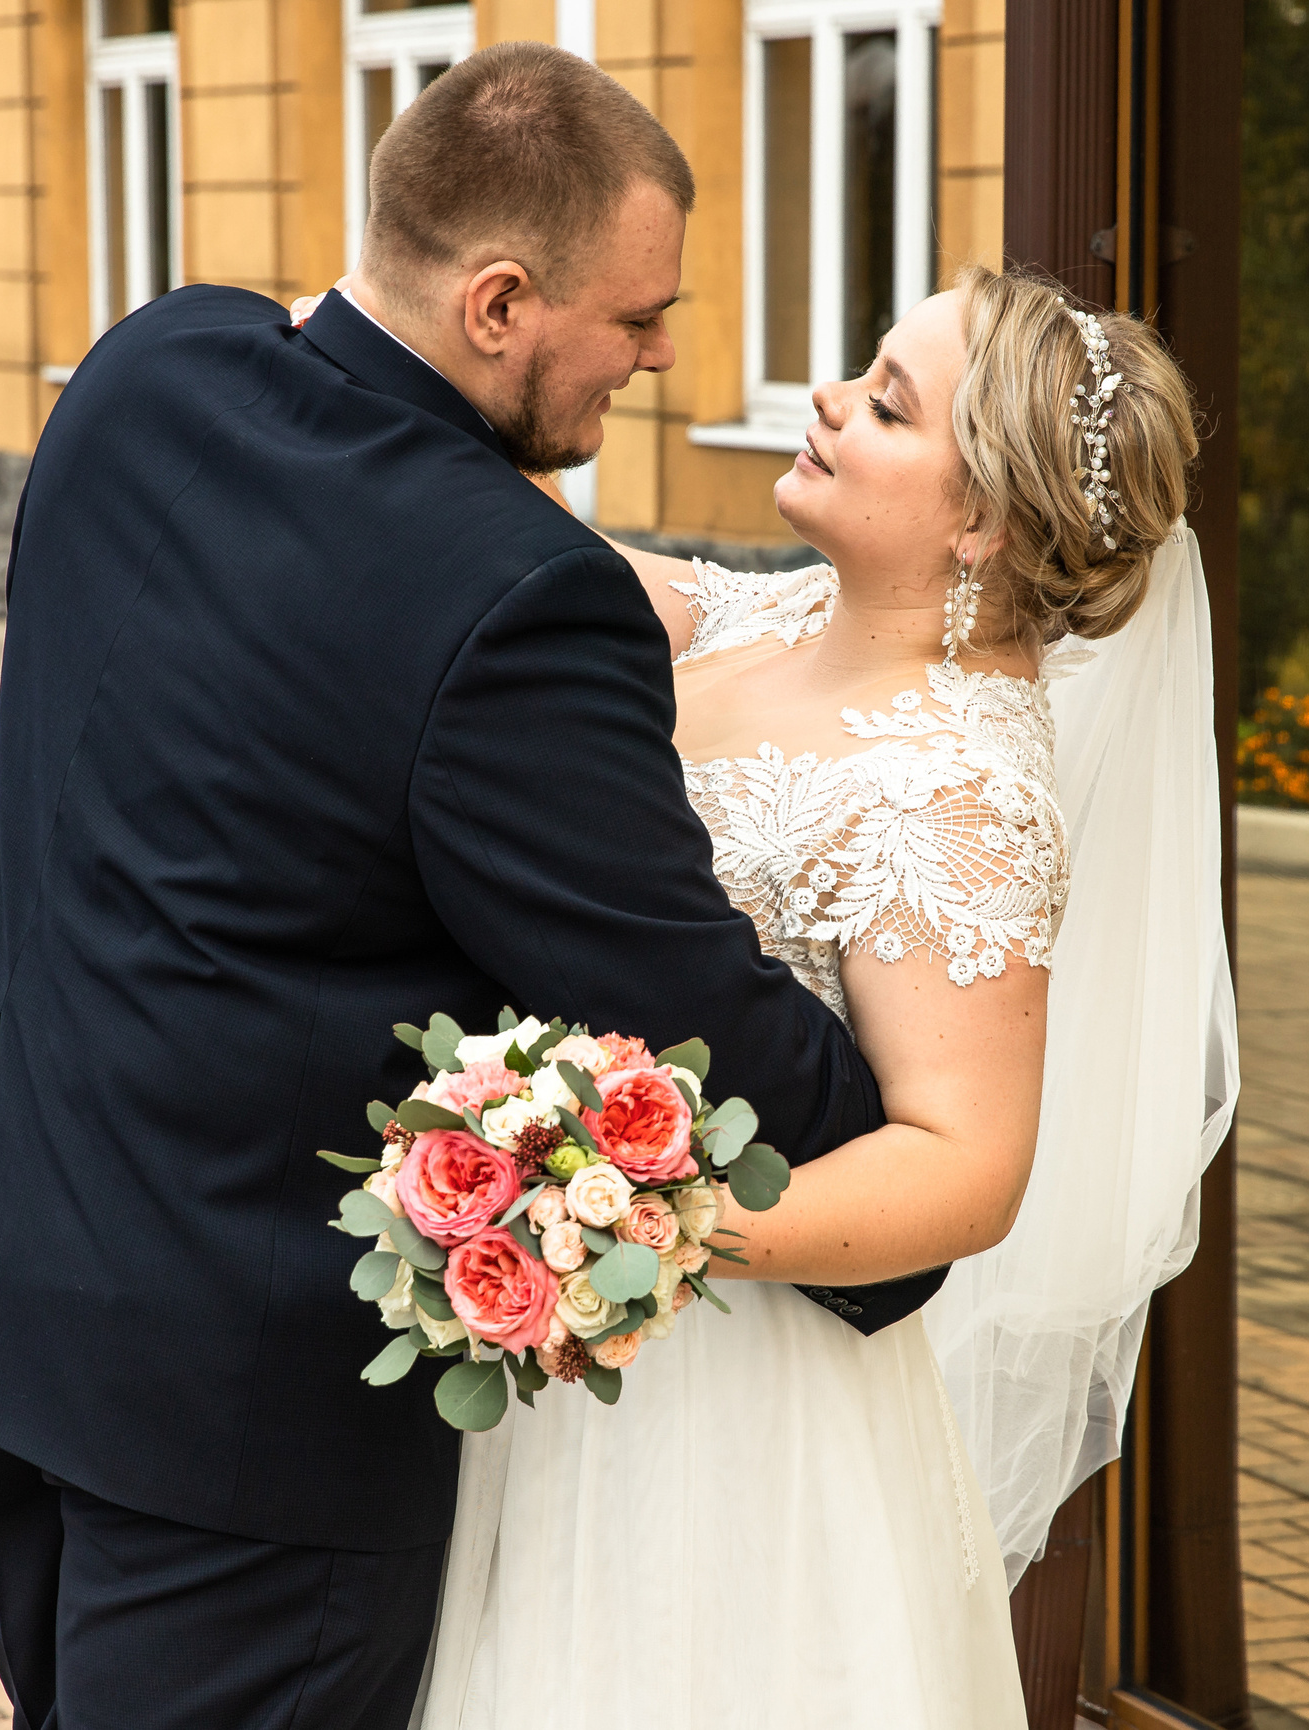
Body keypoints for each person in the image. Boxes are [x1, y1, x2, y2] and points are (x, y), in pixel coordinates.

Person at [0, 43, 940, 1729]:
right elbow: (674, 993)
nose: (660, 353)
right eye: (638, 316)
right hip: (242, 1406)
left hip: (12, 1278)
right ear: (498, 302)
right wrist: (900, 1205)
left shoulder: (149, 363)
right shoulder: (519, 596)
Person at [408, 268, 1236, 1725]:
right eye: (865, 369)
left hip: (738, 1400)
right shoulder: (769, 615)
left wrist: (624, 1228)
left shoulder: (963, 793)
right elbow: (526, 543)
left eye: (888, 404)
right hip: (574, 1342)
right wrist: (384, 352)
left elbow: (966, 1169)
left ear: (980, 521)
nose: (830, 399)